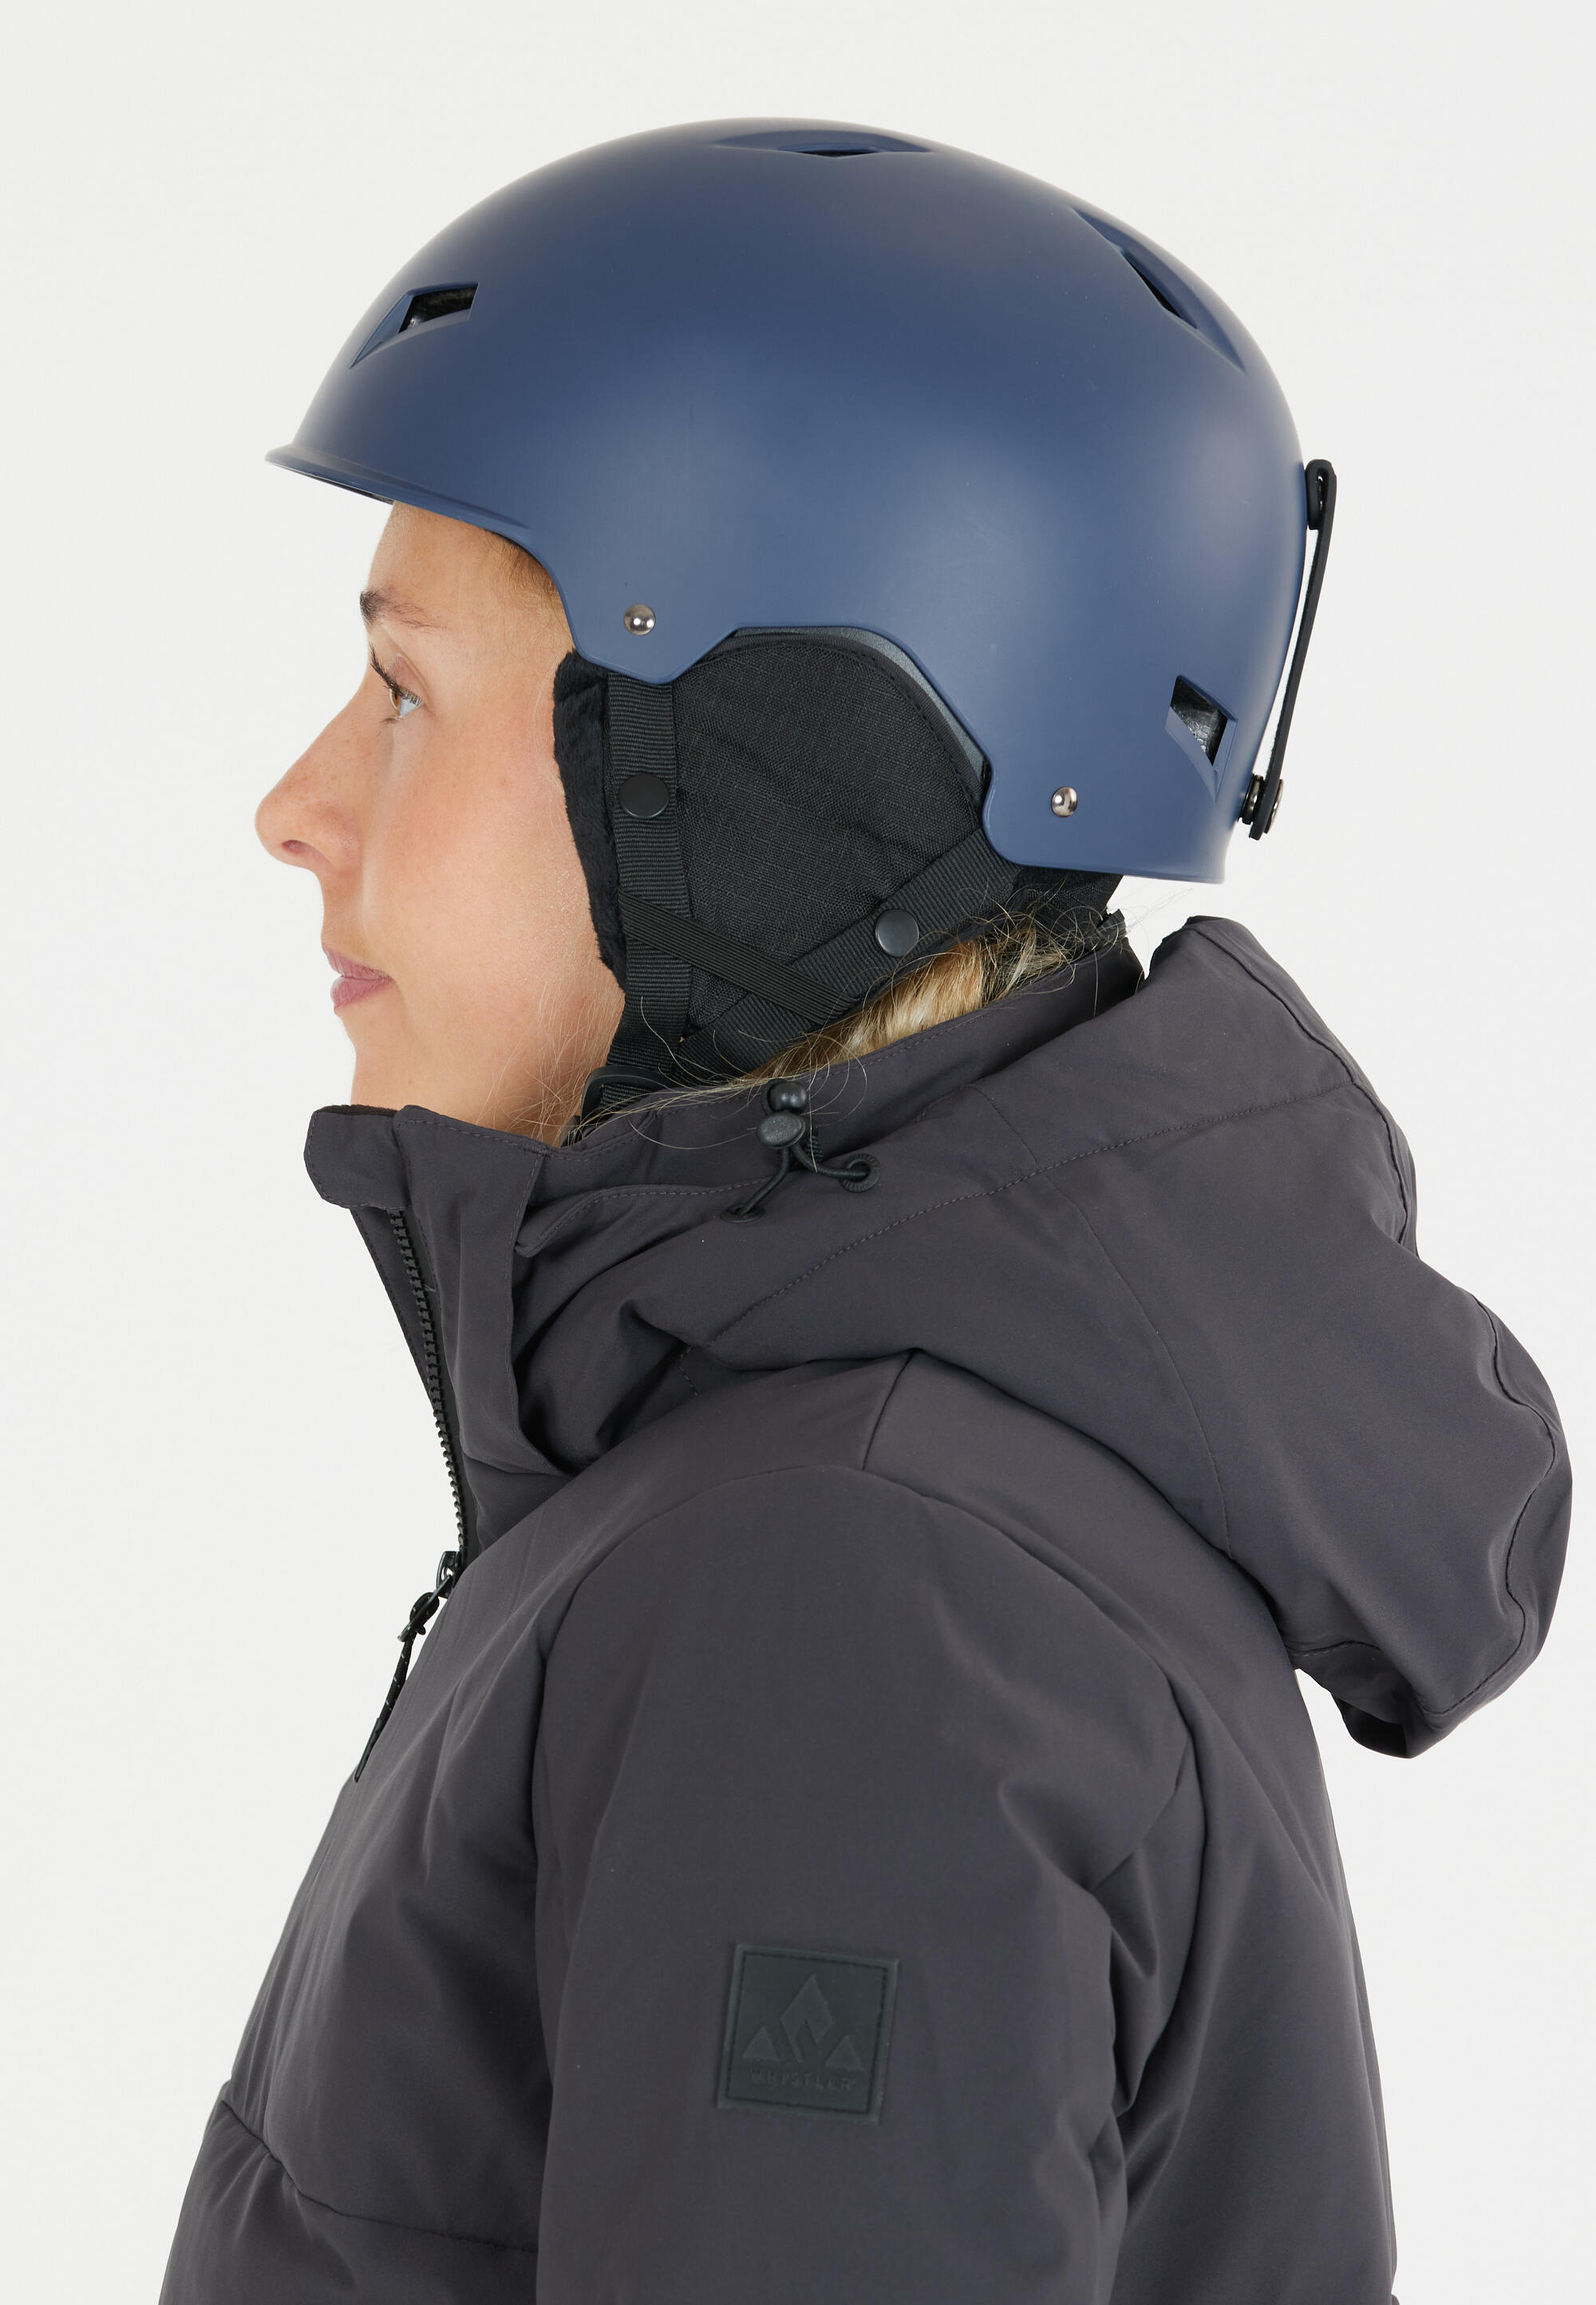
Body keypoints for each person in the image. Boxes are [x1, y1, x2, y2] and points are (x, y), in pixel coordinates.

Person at [160, 123, 1570, 2305]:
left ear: (741, 786)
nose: (297, 806)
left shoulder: (847, 1596)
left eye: (406, 690)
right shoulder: (851, 1492)